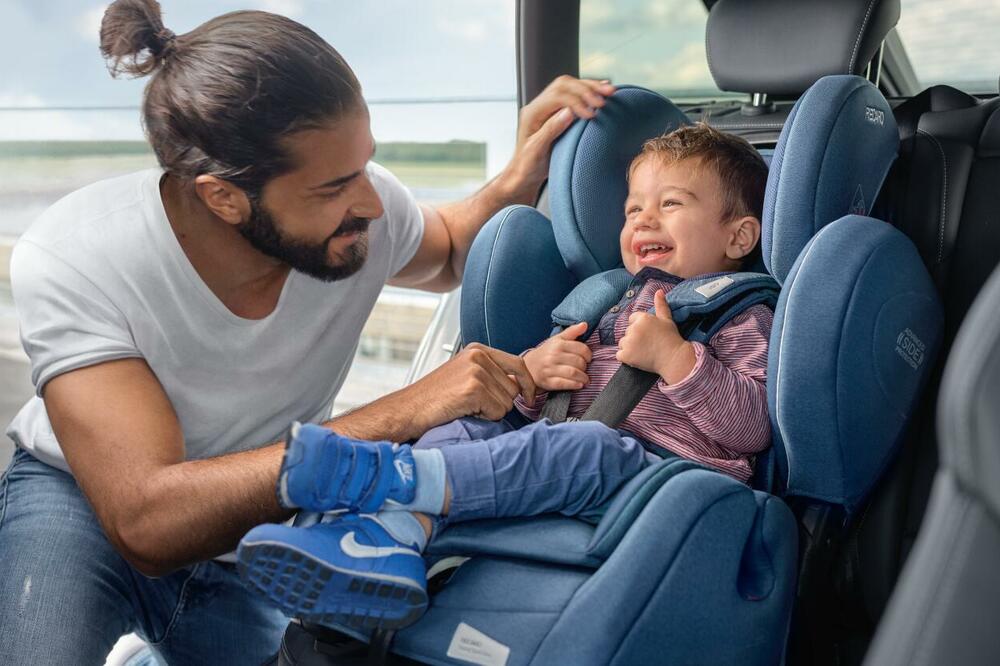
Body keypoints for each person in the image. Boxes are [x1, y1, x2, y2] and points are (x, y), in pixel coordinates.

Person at [0, 1, 615, 663]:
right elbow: (148, 519)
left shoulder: (360, 210)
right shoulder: (78, 255)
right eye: (336, 186)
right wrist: (409, 408)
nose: (374, 205)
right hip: (86, 507)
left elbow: (449, 248)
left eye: (366, 166)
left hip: (263, 524)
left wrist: (521, 174)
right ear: (223, 197)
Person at [237, 123, 775, 630]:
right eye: (633, 208)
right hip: (568, 448)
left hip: (662, 477)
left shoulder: (742, 315)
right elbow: (538, 417)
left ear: (737, 236)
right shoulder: (610, 301)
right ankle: (389, 541)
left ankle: (391, 477)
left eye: (671, 204)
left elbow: (751, 428)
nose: (643, 220)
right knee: (462, 430)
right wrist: (534, 378)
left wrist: (677, 361)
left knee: (588, 448)